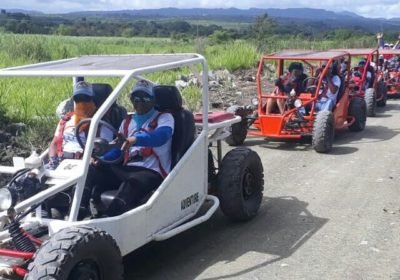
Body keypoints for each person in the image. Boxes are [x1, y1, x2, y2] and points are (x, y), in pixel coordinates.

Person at [84, 80, 174, 217]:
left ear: (153, 100)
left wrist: (135, 139)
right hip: (127, 168)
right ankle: (80, 209)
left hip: (151, 170)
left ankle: (110, 219)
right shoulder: (127, 121)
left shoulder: (164, 118)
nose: (140, 102)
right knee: (91, 170)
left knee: (131, 183)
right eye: (136, 98)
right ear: (131, 100)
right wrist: (101, 159)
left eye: (145, 98)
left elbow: (161, 136)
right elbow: (117, 150)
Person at [47, 81, 113, 169]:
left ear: (93, 100)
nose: (82, 103)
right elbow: (54, 144)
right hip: (61, 161)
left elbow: (104, 150)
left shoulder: (101, 124)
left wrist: (92, 159)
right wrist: (53, 160)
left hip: (85, 164)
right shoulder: (66, 120)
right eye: (78, 99)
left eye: (86, 98)